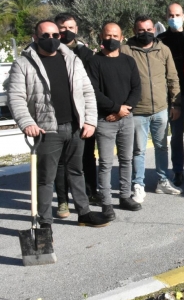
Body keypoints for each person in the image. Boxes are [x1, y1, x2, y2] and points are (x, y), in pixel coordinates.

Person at [7, 20, 108, 230]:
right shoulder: (23, 64)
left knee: (76, 172)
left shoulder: (72, 59)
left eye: (54, 35)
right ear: (35, 38)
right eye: (45, 36)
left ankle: (84, 213)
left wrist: (89, 121)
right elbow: (15, 97)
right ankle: (44, 224)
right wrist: (27, 123)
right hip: (46, 130)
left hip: (75, 127)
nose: (51, 40)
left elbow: (88, 92)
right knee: (45, 178)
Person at [120, 16, 182, 201]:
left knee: (162, 147)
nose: (145, 33)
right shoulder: (126, 50)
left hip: (161, 109)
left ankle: (163, 181)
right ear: (134, 31)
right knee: (138, 150)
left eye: (148, 29)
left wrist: (175, 103)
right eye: (141, 30)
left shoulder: (163, 49)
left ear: (154, 30)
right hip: (137, 110)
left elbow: (172, 77)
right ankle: (138, 184)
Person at [87, 22, 143, 217]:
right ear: (102, 37)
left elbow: (137, 88)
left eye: (115, 36)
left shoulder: (128, 61)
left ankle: (125, 196)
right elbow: (93, 91)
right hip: (105, 120)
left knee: (126, 159)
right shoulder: (95, 62)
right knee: (105, 163)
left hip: (126, 118)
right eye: (107, 35)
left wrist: (123, 110)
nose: (111, 39)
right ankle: (106, 203)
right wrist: (115, 109)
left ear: (122, 38)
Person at [54, 13, 98, 218]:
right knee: (60, 161)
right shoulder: (48, 52)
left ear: (76, 29)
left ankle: (91, 192)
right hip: (58, 115)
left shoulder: (85, 54)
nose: (66, 31)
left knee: (87, 156)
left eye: (70, 27)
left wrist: (91, 117)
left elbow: (91, 87)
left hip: (82, 116)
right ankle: (62, 200)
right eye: (62, 28)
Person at [157, 3, 184, 187]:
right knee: (176, 135)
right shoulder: (160, 40)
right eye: (170, 15)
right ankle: (178, 171)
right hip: (173, 96)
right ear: (166, 16)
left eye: (177, 14)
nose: (174, 18)